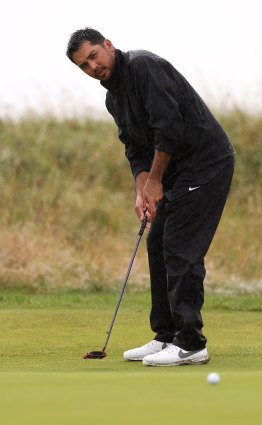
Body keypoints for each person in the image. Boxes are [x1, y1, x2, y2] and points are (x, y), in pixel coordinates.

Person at [66, 28, 235, 367]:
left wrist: (156, 181)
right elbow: (135, 148)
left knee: (180, 247)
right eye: (84, 65)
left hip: (205, 164)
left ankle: (191, 343)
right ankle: (166, 335)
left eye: (94, 56)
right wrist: (142, 190)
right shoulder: (113, 98)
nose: (92, 67)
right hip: (176, 171)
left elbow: (168, 128)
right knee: (157, 241)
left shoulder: (144, 67)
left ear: (108, 45)